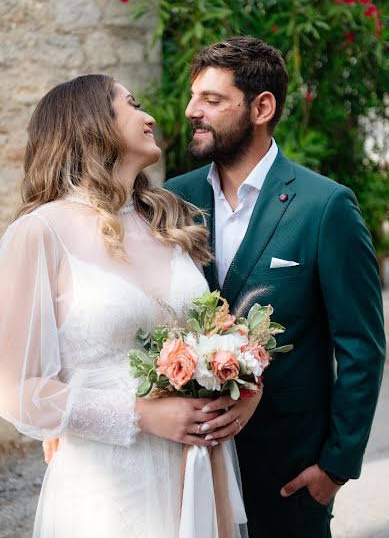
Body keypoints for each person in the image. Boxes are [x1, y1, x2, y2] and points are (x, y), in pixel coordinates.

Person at [0, 74, 259, 538]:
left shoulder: (168, 221)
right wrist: (141, 413)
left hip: (197, 471)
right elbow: (17, 391)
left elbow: (212, 329)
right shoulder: (39, 233)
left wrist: (241, 380)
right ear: (91, 123)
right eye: (133, 105)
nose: (151, 117)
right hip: (110, 486)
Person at [163, 36, 386, 537]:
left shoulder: (325, 206)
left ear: (262, 107)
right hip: (187, 468)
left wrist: (336, 466)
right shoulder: (174, 200)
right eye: (194, 96)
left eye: (212, 100)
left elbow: (360, 345)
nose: (191, 111)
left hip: (288, 470)